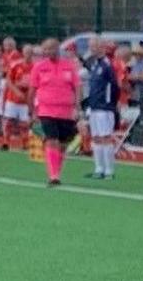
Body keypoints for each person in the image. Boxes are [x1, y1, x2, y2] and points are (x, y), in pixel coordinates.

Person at [30, 37, 81, 187]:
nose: (47, 52)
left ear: (57, 49)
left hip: (66, 111)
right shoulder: (39, 67)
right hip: (46, 110)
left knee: (64, 143)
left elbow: (77, 87)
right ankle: (53, 175)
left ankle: (56, 171)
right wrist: (32, 110)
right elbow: (32, 90)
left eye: (50, 48)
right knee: (52, 140)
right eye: (45, 49)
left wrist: (77, 106)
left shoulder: (69, 66)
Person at [85, 41, 123, 180]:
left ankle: (109, 170)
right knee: (96, 138)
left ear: (101, 48)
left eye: (93, 46)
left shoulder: (107, 65)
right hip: (94, 107)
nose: (91, 49)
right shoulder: (96, 64)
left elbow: (114, 86)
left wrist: (110, 103)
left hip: (104, 108)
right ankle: (98, 168)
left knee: (105, 137)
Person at [0, 42, 33, 152]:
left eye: (30, 53)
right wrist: (16, 91)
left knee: (24, 123)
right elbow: (9, 81)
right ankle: (6, 143)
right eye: (26, 52)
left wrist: (30, 95)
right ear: (23, 53)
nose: (28, 54)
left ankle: (24, 143)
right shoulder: (15, 65)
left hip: (26, 100)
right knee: (9, 120)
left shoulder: (35, 67)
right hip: (13, 98)